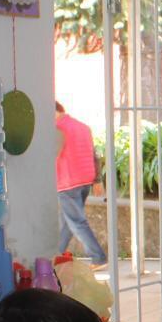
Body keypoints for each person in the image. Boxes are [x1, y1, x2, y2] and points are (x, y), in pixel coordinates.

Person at [55, 102, 108, 268]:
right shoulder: (83, 127)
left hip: (67, 181)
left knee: (76, 222)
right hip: (85, 179)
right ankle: (55, 255)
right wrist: (97, 180)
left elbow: (52, 155)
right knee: (67, 222)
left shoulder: (57, 129)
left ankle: (98, 257)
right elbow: (94, 154)